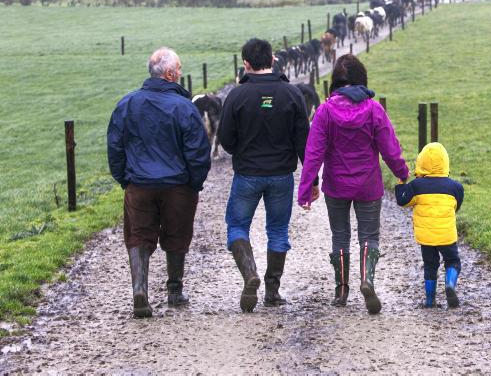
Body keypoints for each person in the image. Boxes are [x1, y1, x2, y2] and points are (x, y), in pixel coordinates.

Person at [297, 54, 409, 314]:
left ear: (335, 81)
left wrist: (306, 190)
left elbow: (313, 153)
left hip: (336, 184)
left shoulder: (325, 111)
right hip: (368, 184)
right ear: (362, 79)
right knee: (369, 236)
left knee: (340, 235)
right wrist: (402, 173)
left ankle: (341, 290)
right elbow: (390, 148)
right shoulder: (374, 109)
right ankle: (367, 280)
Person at [107, 47, 211, 318]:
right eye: (179, 68)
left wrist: (125, 179)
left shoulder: (127, 104)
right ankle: (175, 290)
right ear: (170, 74)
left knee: (139, 235)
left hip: (139, 184)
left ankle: (139, 290)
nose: (181, 72)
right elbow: (198, 151)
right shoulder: (184, 107)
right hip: (178, 186)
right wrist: (194, 183)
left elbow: (115, 146)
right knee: (177, 234)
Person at [218, 38, 311, 312]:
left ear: (245, 64)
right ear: (272, 60)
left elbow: (226, 140)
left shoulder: (236, 96)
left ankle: (250, 274)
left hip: (247, 173)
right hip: (281, 175)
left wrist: (241, 149)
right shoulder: (292, 94)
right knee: (278, 231)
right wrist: (311, 179)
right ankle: (272, 291)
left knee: (237, 226)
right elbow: (303, 141)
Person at [395, 142, 464, 309]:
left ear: (421, 162)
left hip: (426, 237)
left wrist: (401, 182)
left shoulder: (416, 186)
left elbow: (402, 201)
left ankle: (430, 300)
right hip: (446, 235)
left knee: (430, 265)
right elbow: (456, 206)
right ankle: (450, 285)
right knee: (453, 261)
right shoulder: (456, 187)